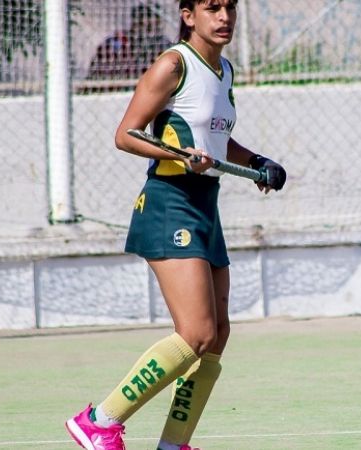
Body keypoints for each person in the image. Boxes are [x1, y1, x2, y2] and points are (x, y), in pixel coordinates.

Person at [65, 1, 287, 450]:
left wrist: (257, 161)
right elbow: (127, 133)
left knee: (218, 335)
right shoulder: (173, 64)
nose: (223, 17)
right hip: (170, 204)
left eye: (229, 8)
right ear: (188, 15)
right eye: (211, 8)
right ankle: (98, 421)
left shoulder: (223, 70)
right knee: (197, 333)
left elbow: (216, 139)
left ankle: (174, 444)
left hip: (206, 205)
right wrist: (180, 157)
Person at [87, 3, 174, 82]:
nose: (146, 25)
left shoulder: (164, 45)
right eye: (142, 22)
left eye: (151, 26)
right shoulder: (116, 43)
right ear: (134, 22)